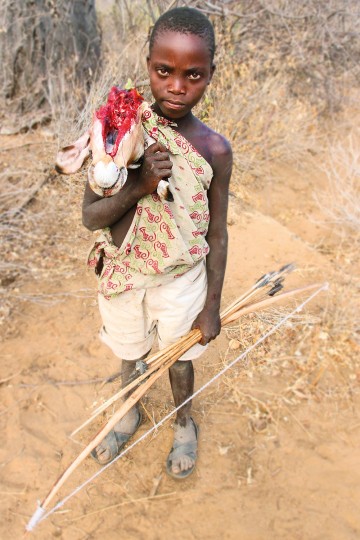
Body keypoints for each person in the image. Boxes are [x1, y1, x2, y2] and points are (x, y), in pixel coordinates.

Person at [82, 6, 232, 479]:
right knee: (131, 353)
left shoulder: (214, 150)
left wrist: (212, 306)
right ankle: (127, 413)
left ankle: (183, 421)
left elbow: (218, 232)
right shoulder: (119, 130)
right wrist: (139, 184)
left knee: (179, 359)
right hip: (125, 275)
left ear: (210, 75)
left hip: (180, 280)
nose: (176, 86)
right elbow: (91, 218)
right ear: (148, 63)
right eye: (163, 71)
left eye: (193, 75)